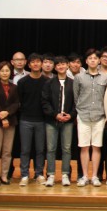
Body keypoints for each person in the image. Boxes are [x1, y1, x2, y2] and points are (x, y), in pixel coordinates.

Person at [73, 48, 107, 187]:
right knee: (84, 147)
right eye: (90, 58)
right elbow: (76, 97)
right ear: (86, 61)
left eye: (95, 58)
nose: (93, 60)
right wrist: (79, 111)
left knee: (96, 147)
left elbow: (106, 97)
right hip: (83, 116)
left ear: (99, 61)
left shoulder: (105, 78)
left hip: (99, 116)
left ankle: (94, 176)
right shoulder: (79, 77)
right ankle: (84, 176)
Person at [42, 56, 76, 187]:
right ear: (55, 67)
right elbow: (45, 102)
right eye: (58, 65)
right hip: (52, 120)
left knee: (66, 148)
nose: (61, 66)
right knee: (51, 148)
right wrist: (55, 115)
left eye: (63, 64)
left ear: (67, 65)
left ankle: (65, 174)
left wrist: (70, 115)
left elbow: (77, 102)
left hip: (68, 121)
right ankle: (50, 174)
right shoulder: (49, 83)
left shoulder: (73, 83)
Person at [16, 53, 48, 186]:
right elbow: (18, 101)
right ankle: (24, 174)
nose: (35, 64)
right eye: (33, 62)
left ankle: (39, 173)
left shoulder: (47, 81)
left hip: (42, 120)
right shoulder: (22, 82)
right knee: (25, 149)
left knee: (40, 149)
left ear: (41, 64)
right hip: (26, 120)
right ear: (28, 65)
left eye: (38, 61)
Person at [0, 61, 19, 186]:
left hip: (11, 121)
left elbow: (16, 103)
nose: (5, 73)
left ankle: (4, 175)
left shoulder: (14, 87)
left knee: (7, 151)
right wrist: (2, 116)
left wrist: (7, 113)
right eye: (2, 71)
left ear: (10, 73)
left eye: (7, 71)